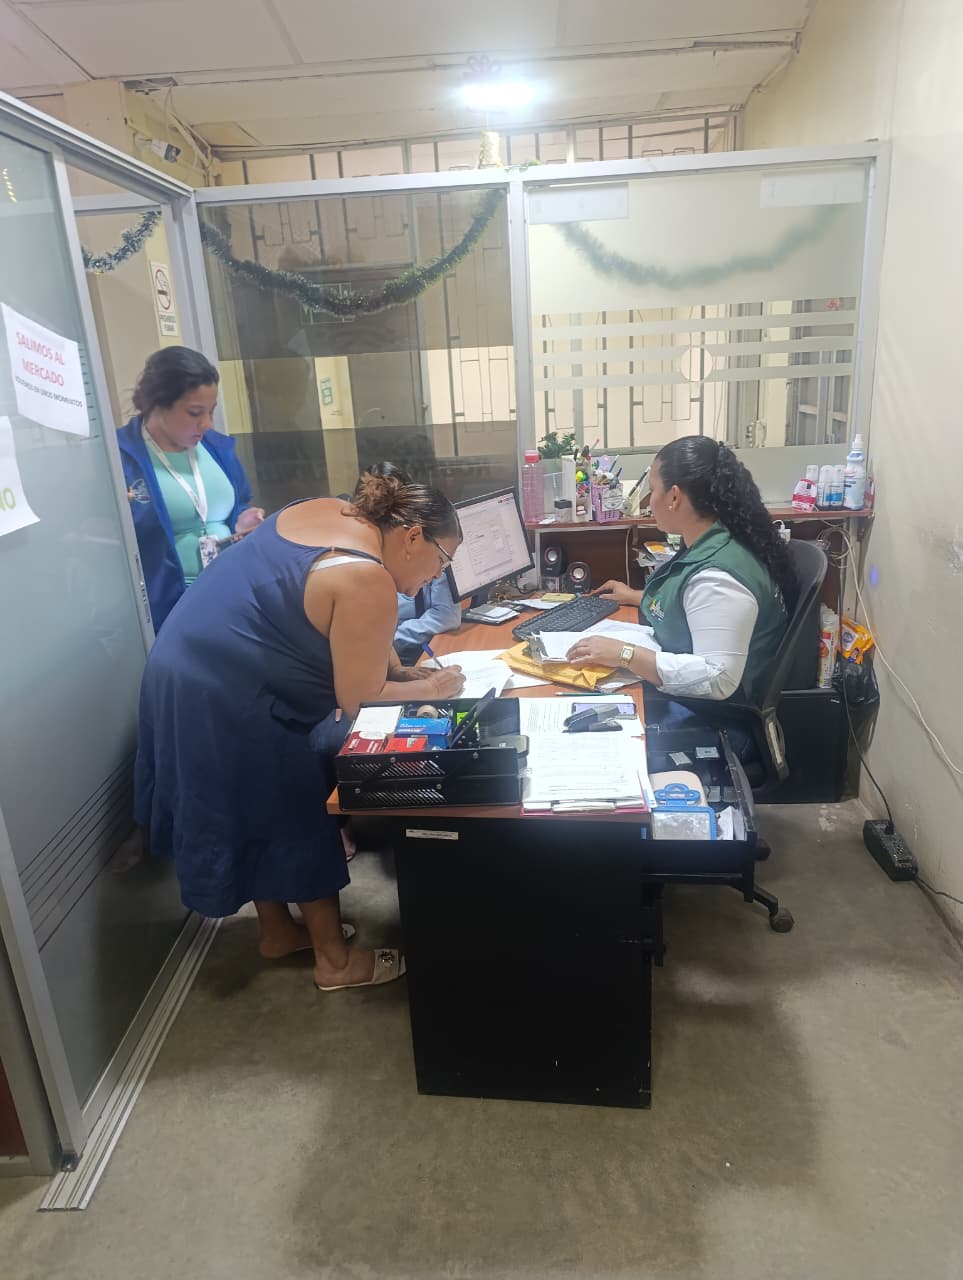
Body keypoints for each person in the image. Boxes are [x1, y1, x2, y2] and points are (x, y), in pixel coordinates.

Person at [134, 470, 465, 991]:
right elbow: (359, 701)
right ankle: (335, 964)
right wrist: (437, 688)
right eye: (442, 561)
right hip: (229, 694)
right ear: (412, 536)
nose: (438, 576)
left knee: (254, 805)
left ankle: (278, 933)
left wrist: (400, 672)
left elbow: (347, 624)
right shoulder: (366, 576)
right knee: (294, 811)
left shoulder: (336, 513)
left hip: (186, 671)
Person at [567, 436, 796, 722]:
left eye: (652, 490)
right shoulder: (715, 540)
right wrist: (633, 596)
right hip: (696, 702)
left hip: (718, 718)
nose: (649, 501)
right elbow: (694, 605)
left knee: (582, 713)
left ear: (674, 497)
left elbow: (718, 679)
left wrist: (624, 654)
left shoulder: (718, 579)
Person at [118, 347, 265, 631]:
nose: (207, 424)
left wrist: (243, 519)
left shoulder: (218, 449)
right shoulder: (121, 459)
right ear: (158, 404)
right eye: (195, 413)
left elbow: (240, 502)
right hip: (169, 608)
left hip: (231, 591)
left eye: (211, 411)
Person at [353, 463, 462, 664]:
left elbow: (446, 615)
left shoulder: (419, 557)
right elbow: (360, 669)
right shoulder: (360, 575)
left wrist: (395, 664)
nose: (438, 574)